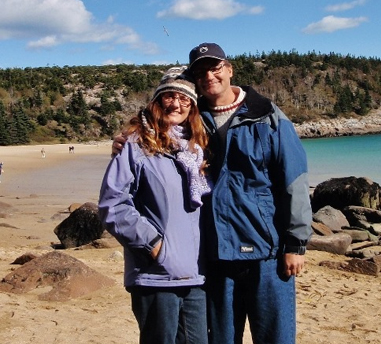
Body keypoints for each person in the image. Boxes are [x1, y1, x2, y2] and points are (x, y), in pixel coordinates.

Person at [113, 43, 313, 344]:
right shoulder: (193, 118)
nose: (209, 75)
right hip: (215, 254)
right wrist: (126, 139)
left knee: (276, 337)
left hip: (266, 250)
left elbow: (293, 178)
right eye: (201, 71)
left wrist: (296, 242)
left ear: (229, 69)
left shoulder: (267, 115)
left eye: (215, 67)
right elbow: (156, 130)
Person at [99, 67, 211, 344]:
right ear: (157, 101)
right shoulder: (136, 144)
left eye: (184, 99)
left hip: (195, 274)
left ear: (193, 107)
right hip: (155, 274)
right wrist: (153, 245)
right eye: (169, 97)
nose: (176, 104)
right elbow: (113, 203)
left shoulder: (198, 148)